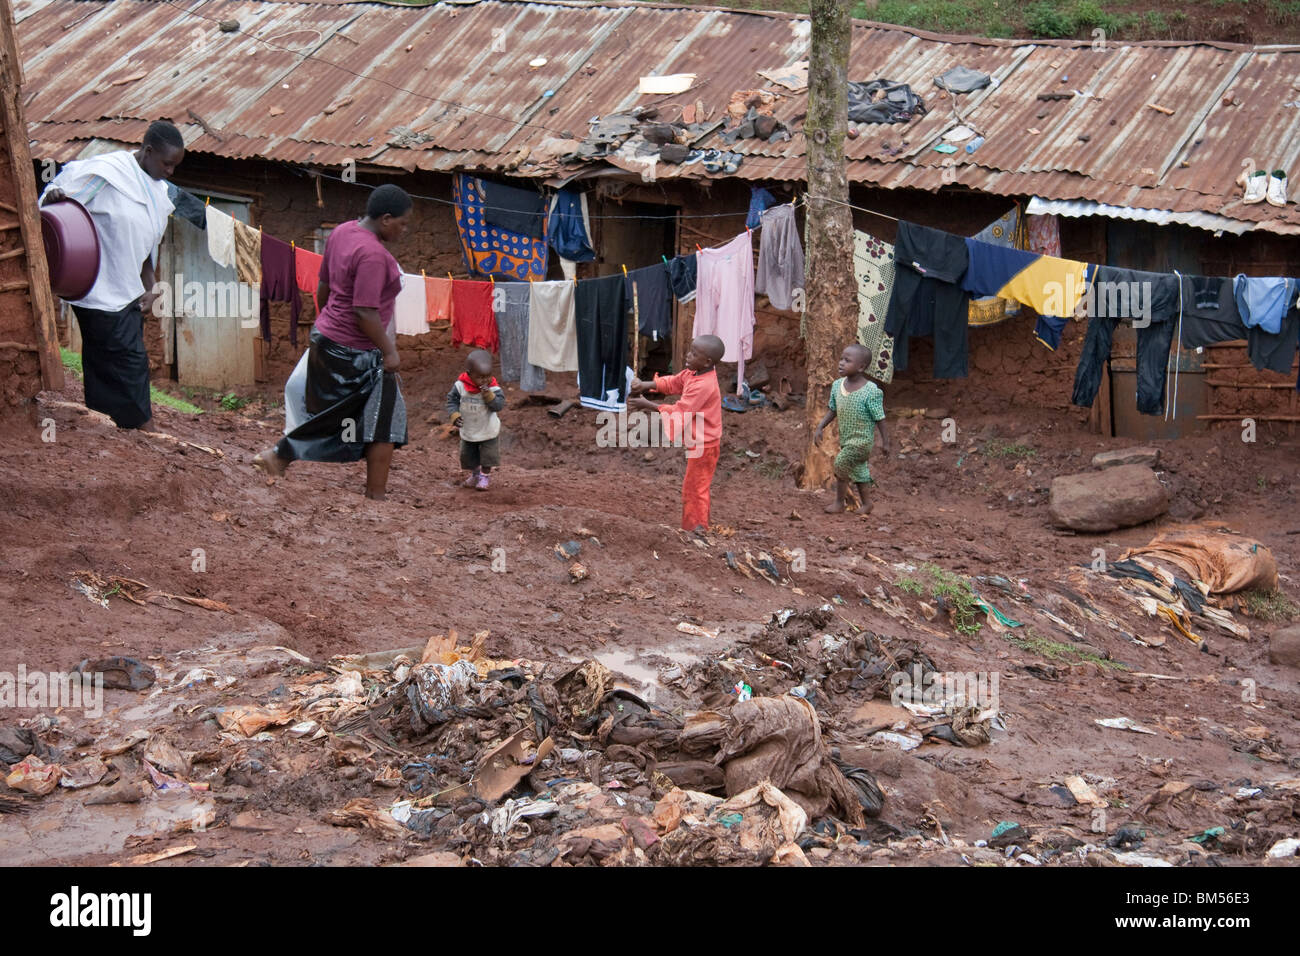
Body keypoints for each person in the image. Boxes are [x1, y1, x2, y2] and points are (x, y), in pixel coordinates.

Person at [253, 184, 412, 500]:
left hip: (328, 339)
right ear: (385, 218)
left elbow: (323, 288)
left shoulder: (341, 232)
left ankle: (281, 456)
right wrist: (389, 350)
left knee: (341, 415)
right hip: (358, 349)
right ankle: (374, 494)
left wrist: (329, 326)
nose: (404, 230)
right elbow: (365, 312)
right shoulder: (373, 255)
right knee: (386, 416)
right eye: (402, 223)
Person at [39, 121, 185, 429]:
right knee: (129, 360)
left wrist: (151, 286)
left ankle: (106, 420)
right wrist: (55, 198)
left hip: (128, 289)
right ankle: (141, 424)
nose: (171, 171)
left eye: (175, 165)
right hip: (97, 285)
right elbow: (58, 199)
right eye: (167, 163)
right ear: (147, 151)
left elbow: (145, 246)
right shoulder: (106, 174)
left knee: (105, 359)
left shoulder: (157, 192)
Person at [628, 335, 724, 533]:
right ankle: (698, 527)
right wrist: (645, 385)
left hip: (705, 445)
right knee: (696, 487)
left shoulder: (703, 385)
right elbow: (674, 382)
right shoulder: (694, 372)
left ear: (707, 361)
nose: (688, 356)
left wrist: (646, 404)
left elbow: (680, 411)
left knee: (694, 490)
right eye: (690, 350)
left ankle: (695, 531)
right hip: (700, 442)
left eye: (694, 354)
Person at [814, 344, 890, 514]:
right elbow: (832, 410)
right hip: (847, 440)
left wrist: (886, 442)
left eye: (847, 361)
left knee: (841, 463)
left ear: (861, 367)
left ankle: (839, 503)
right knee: (859, 471)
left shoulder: (871, 391)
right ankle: (867, 504)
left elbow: (880, 418)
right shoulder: (837, 386)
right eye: (841, 359)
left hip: (862, 442)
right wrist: (820, 426)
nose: (841, 363)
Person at [446, 349, 505, 490]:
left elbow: (498, 406)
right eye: (480, 377)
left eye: (488, 376)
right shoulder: (460, 386)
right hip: (469, 428)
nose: (485, 380)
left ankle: (484, 477)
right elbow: (451, 401)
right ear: (469, 374)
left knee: (487, 456)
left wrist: (489, 396)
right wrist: (454, 415)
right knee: (468, 455)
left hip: (487, 429)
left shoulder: (494, 388)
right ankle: (475, 474)